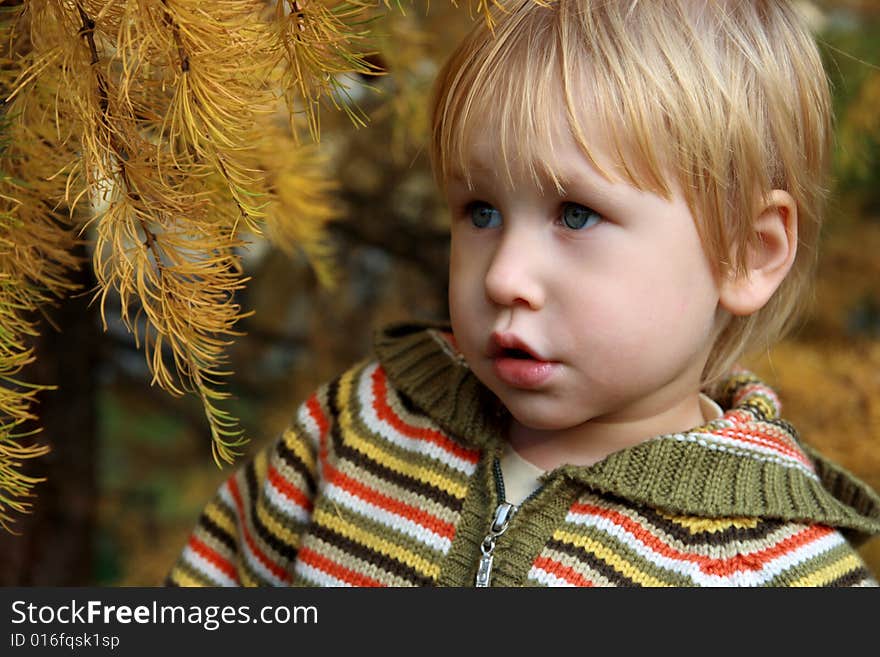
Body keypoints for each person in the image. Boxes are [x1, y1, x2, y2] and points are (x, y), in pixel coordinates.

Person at [167, 0, 880, 587]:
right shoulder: (361, 427)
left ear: (747, 252)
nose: (503, 275)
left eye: (576, 214)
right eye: (481, 211)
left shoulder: (777, 571)